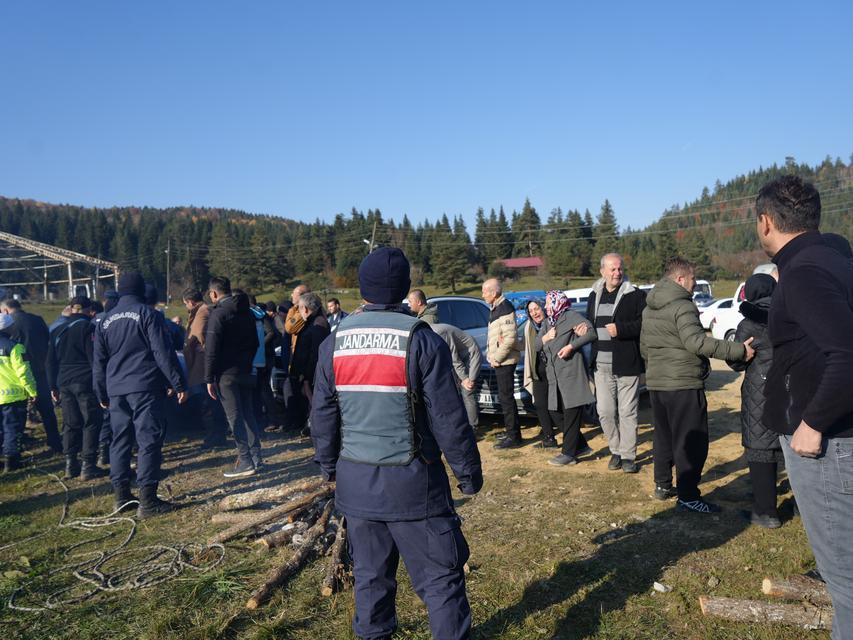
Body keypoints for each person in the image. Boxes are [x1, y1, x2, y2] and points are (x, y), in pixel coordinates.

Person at [311, 247, 482, 640]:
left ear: (362, 287)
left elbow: (321, 414)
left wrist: (327, 466)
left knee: (370, 581)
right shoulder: (420, 339)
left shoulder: (334, 342)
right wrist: (468, 473)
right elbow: (449, 418)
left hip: (357, 487)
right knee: (441, 582)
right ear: (406, 288)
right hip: (415, 488)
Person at [755, 176, 853, 636]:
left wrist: (812, 423)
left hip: (828, 445)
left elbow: (848, 354)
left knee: (846, 581)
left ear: (767, 221)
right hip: (836, 437)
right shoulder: (832, 258)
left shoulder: (806, 271)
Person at [640, 257, 754, 513]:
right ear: (681, 279)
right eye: (692, 279)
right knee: (691, 441)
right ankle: (688, 495)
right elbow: (697, 343)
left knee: (663, 436)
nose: (694, 284)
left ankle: (662, 484)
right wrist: (738, 350)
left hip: (658, 384)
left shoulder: (650, 307)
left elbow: (644, 347)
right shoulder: (683, 306)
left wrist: (657, 370)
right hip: (683, 383)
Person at [93, 272, 188, 518]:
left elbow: (99, 361)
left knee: (120, 440)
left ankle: (121, 496)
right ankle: (147, 501)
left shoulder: (105, 320)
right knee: (148, 440)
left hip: (116, 389)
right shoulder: (148, 314)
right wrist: (178, 383)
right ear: (140, 291)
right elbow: (162, 353)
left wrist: (100, 390)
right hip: (144, 385)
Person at [726, 274, 782, 528]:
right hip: (790, 387)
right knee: (785, 446)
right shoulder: (790, 314)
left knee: (760, 448)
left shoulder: (749, 324)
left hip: (759, 389)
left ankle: (765, 511)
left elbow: (736, 361)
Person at [584, 253, 646, 474]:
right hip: (600, 365)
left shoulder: (635, 295)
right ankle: (615, 450)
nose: (617, 273)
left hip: (627, 363)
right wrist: (583, 328)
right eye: (612, 269)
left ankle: (628, 456)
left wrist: (621, 330)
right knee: (605, 412)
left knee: (628, 411)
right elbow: (589, 321)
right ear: (602, 271)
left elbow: (644, 323)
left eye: (619, 269)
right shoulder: (594, 294)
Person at [204, 277, 262, 477]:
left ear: (214, 294)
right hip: (246, 370)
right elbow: (255, 342)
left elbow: (211, 349)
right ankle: (256, 457)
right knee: (248, 414)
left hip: (225, 374)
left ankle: (245, 460)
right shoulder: (247, 313)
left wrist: (209, 378)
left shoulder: (218, 314)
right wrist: (246, 362)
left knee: (234, 417)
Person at [46, 296, 107, 481]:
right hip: (85, 381)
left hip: (63, 381)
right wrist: (101, 384)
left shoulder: (57, 329)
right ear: (89, 311)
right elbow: (94, 359)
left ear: (71, 309)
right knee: (91, 421)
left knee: (70, 422)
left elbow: (49, 361)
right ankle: (88, 465)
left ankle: (70, 464)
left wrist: (52, 386)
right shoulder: (89, 329)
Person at [541, 290, 596, 466]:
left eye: (549, 303)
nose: (545, 306)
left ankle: (568, 454)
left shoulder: (570, 315)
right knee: (555, 412)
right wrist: (545, 338)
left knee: (571, 414)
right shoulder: (548, 323)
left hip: (571, 375)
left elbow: (591, 333)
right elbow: (536, 346)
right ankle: (580, 445)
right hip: (554, 377)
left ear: (558, 302)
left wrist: (572, 346)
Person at [416, 308, 482, 431]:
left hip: (470, 354)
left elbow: (453, 356)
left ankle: (472, 427)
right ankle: (461, 423)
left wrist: (465, 378)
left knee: (467, 389)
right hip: (459, 356)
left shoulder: (439, 332)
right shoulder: (429, 333)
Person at [183, 288, 226, 448]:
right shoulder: (206, 310)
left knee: (209, 402)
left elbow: (196, 336)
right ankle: (216, 434)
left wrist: (191, 356)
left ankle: (215, 436)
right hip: (204, 362)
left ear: (190, 302)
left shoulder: (201, 312)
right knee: (211, 402)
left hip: (201, 363)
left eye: (186, 304)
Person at [482, 278, 522, 449]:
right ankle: (511, 431)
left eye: (484, 291)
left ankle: (514, 437)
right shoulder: (497, 308)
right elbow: (496, 338)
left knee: (506, 399)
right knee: (505, 398)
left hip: (505, 361)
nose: (482, 295)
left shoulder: (504, 308)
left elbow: (509, 339)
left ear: (494, 292)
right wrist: (490, 355)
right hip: (500, 360)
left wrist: (497, 358)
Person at [0, 314, 38, 472]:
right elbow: (24, 372)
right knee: (12, 429)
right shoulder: (15, 346)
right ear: (9, 328)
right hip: (12, 396)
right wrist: (32, 391)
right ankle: (11, 461)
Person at [522, 299, 560, 448]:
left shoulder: (554, 323)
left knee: (557, 407)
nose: (534, 313)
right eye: (531, 311)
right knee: (540, 404)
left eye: (536, 309)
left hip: (554, 371)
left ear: (544, 308)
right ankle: (549, 438)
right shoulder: (528, 327)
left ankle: (574, 439)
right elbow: (528, 347)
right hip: (538, 371)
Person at [291, 292, 330, 424]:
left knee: (315, 405)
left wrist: (306, 377)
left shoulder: (318, 325)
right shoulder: (314, 322)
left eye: (299, 309)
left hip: (313, 376)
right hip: (310, 375)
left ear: (305, 309)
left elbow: (315, 354)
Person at [284, 284, 311, 430]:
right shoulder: (294, 310)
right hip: (296, 356)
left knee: (305, 392)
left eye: (293, 294)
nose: (291, 297)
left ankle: (307, 422)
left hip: (304, 357)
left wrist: (295, 311)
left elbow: (290, 327)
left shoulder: (303, 312)